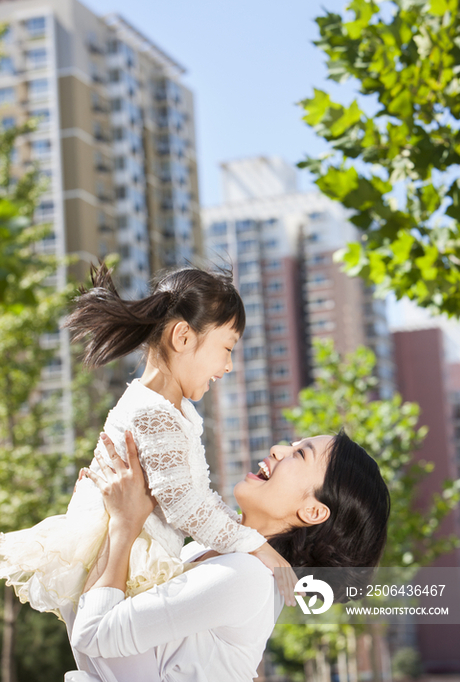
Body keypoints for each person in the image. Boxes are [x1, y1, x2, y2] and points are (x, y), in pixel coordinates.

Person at [0, 263, 295, 618]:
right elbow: (185, 505)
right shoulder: (153, 414)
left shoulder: (166, 409)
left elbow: (193, 497)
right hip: (122, 566)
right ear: (183, 337)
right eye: (228, 348)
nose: (229, 365)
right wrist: (259, 546)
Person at [67, 428, 390, 682]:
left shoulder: (247, 576)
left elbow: (93, 635)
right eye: (292, 443)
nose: (278, 449)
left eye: (299, 454)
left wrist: (122, 523)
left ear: (313, 510)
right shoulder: (205, 551)